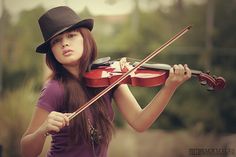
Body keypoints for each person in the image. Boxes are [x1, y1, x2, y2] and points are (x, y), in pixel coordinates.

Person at [20, 6, 191, 157]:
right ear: (52, 51)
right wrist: (43, 129)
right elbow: (27, 151)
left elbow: (140, 122)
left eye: (71, 36)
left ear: (84, 39)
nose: (64, 43)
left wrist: (169, 88)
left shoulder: (108, 77)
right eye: (56, 41)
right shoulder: (54, 89)